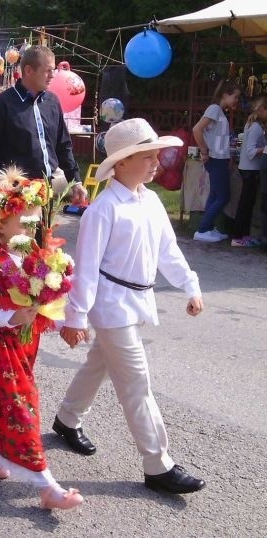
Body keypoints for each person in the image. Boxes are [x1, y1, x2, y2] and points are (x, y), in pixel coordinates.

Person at [54, 118, 207, 495]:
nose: (157, 161)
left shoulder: (150, 200)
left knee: (99, 363)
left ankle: (67, 418)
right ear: (120, 163)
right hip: (110, 307)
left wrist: (190, 285)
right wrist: (74, 317)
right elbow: (86, 270)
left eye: (156, 154)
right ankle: (158, 464)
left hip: (135, 300)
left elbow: (168, 252)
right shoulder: (102, 210)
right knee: (137, 382)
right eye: (147, 155)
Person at [0, 171, 84, 510]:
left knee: (4, 401)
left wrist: (66, 318)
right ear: (1, 225)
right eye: (23, 223)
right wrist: (12, 317)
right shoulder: (2, 262)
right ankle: (46, 485)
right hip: (0, 346)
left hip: (24, 343)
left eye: (34, 224)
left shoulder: (33, 254)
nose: (30, 231)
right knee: (22, 405)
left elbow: (46, 296)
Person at [0, 45, 85, 199]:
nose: (52, 75)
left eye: (53, 70)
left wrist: (76, 181)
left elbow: (63, 145)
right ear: (28, 71)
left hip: (46, 190)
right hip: (14, 194)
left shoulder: (52, 102)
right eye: (47, 70)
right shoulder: (2, 105)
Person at [192, 80, 241, 242]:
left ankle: (206, 228)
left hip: (219, 159)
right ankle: (202, 230)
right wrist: (205, 151)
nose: (236, 101)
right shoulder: (214, 109)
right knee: (223, 196)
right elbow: (197, 129)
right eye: (235, 97)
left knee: (215, 195)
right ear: (225, 95)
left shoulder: (219, 111)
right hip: (216, 159)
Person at [232, 94, 266, 247]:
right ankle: (238, 237)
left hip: (247, 169)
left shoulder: (250, 125)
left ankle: (242, 236)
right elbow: (251, 152)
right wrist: (264, 149)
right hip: (250, 170)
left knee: (247, 203)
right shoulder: (256, 128)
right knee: (246, 204)